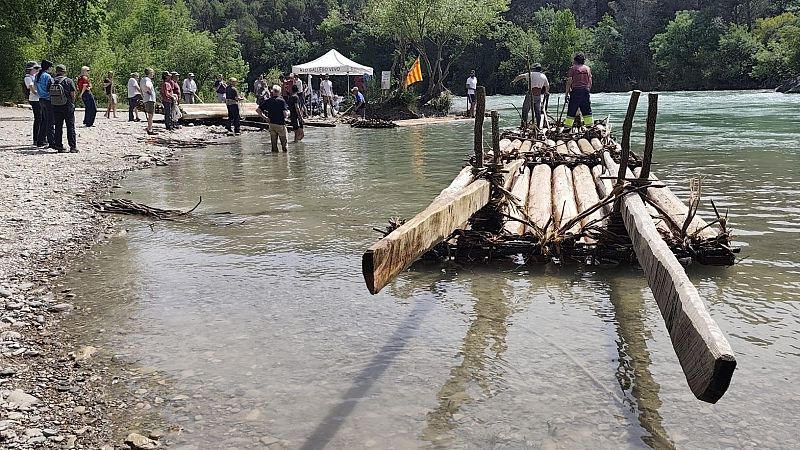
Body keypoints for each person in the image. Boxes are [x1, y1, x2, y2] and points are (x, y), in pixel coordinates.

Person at [512, 63, 549, 129]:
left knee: (525, 110)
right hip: (538, 95)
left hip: (530, 95)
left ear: (534, 69)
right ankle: (538, 126)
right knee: (537, 112)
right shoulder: (543, 76)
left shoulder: (531, 74)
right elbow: (547, 86)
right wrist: (546, 92)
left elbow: (520, 76)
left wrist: (514, 81)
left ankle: (524, 125)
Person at [51, 64, 78, 153]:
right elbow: (73, 94)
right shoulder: (68, 81)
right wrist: (72, 103)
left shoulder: (52, 81)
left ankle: (59, 146)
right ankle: (72, 147)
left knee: (58, 126)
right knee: (70, 126)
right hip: (67, 106)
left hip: (55, 106)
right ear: (64, 72)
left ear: (56, 71)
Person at [564, 52, 594, 129]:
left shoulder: (573, 68)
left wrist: (566, 93)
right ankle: (590, 126)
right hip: (585, 91)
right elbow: (590, 81)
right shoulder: (587, 68)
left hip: (576, 91)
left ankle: (567, 127)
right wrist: (588, 90)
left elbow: (569, 82)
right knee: (587, 109)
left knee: (572, 109)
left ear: (575, 60)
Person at [256, 85, 289, 152]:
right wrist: (289, 113)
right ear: (280, 92)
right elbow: (285, 115)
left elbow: (258, 110)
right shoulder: (282, 101)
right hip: (280, 125)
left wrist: (265, 118)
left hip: (272, 124)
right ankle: (285, 157)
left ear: (273, 92)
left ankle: (274, 156)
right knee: (284, 146)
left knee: (274, 146)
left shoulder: (268, 101)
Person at [34, 60, 55, 148]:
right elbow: (50, 88)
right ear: (48, 67)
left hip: (41, 99)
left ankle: (40, 140)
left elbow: (35, 86)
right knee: (50, 121)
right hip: (48, 99)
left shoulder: (37, 75)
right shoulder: (47, 76)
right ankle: (51, 141)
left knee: (44, 120)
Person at [24, 61, 41, 146]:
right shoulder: (28, 78)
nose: (37, 70)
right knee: (38, 118)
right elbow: (32, 90)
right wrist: (41, 94)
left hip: (38, 99)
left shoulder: (35, 76)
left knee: (41, 118)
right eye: (35, 68)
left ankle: (40, 137)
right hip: (34, 99)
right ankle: (36, 138)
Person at [140, 68, 156, 134]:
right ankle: (150, 129)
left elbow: (140, 90)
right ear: (149, 73)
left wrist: (143, 96)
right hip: (150, 99)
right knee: (151, 115)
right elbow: (148, 86)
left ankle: (149, 128)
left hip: (146, 99)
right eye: (152, 73)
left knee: (149, 115)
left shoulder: (142, 80)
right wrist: (149, 91)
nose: (153, 74)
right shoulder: (147, 80)